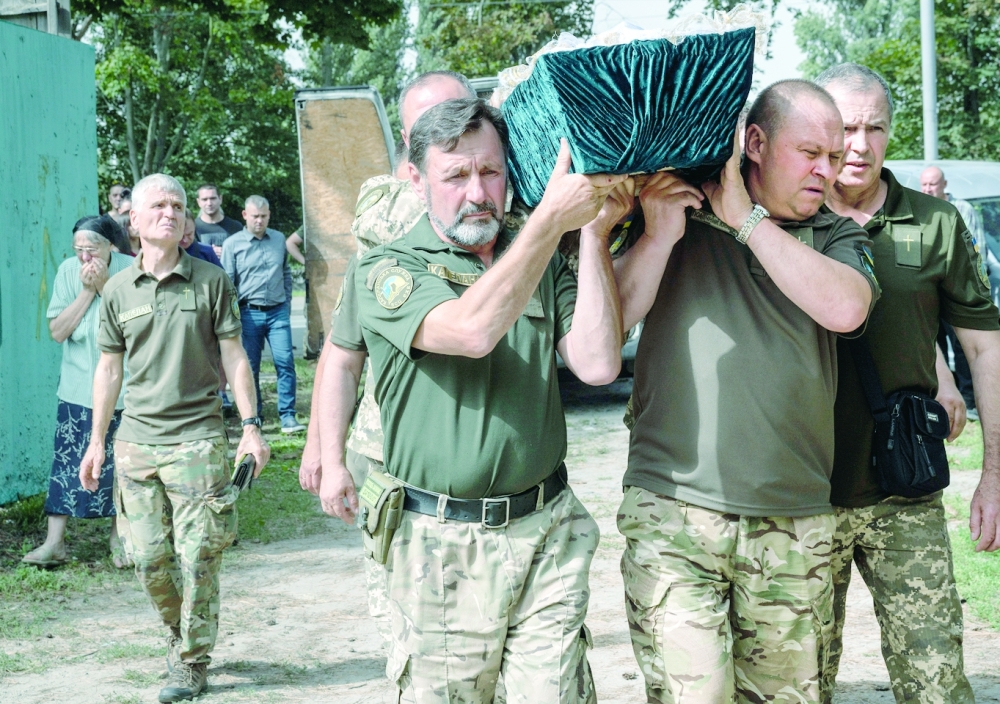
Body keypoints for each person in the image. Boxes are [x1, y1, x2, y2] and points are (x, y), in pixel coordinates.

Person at [342, 98, 626, 702]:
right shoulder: (388, 267)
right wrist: (549, 222)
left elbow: (599, 362)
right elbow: (471, 332)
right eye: (456, 175)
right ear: (416, 179)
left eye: (491, 172)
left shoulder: (538, 250)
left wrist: (593, 231)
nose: (478, 192)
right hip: (443, 549)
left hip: (548, 530)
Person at [612, 79, 879, 703]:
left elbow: (846, 309)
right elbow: (612, 321)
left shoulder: (835, 234)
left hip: (794, 521)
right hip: (673, 512)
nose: (827, 170)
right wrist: (658, 233)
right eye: (810, 152)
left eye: (835, 158)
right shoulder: (675, 213)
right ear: (754, 142)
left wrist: (748, 221)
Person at [816, 63, 1000, 703]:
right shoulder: (779, 222)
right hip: (800, 499)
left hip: (905, 491)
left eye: (875, 128)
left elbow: (983, 343)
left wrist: (995, 475)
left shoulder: (937, 222)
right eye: (845, 128)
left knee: (937, 686)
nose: (860, 145)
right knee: (792, 687)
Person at [79, 173, 270, 703]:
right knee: (147, 559)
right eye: (158, 205)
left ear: (188, 221)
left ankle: (190, 660)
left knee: (199, 556)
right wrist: (97, 442)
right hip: (136, 443)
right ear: (134, 221)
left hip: (198, 439)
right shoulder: (116, 290)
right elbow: (108, 371)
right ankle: (178, 634)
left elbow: (236, 358)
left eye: (178, 206)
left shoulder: (210, 282)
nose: (170, 212)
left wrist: (251, 428)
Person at [301, 71, 475, 499]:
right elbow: (343, 345)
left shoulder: (499, 193)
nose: (445, 130)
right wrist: (319, 444)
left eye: (457, 115)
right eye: (429, 121)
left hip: (485, 443)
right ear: (406, 136)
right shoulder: (383, 206)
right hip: (392, 445)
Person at [21, 216, 134, 569]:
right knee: (67, 463)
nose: (85, 258)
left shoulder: (132, 269)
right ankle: (54, 542)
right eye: (79, 250)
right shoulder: (69, 271)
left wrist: (104, 288)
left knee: (121, 466)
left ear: (112, 246)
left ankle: (121, 540)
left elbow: (137, 326)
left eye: (92, 249)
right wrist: (87, 291)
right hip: (76, 387)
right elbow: (57, 331)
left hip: (124, 388)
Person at [221, 195, 304, 433]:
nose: (259, 221)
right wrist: (233, 317)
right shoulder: (233, 244)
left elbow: (286, 272)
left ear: (269, 215)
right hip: (249, 313)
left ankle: (288, 415)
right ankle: (253, 417)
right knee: (250, 366)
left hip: (277, 312)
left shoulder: (278, 239)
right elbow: (228, 283)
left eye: (264, 216)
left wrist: (287, 303)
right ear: (245, 215)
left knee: (285, 363)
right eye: (255, 216)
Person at [921, 166, 985, 420]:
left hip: (955, 290)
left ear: (944, 184)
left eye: (932, 184)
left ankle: (969, 401)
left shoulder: (962, 209)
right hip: (929, 291)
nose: (927, 189)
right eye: (924, 184)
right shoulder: (918, 211)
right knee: (931, 344)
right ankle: (938, 399)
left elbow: (974, 250)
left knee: (962, 347)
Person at [194, 184, 243, 257]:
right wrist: (209, 252)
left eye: (213, 198)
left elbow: (243, 254)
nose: (209, 203)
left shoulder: (235, 226)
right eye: (204, 199)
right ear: (198, 202)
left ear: (220, 199)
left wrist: (226, 253)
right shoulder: (192, 227)